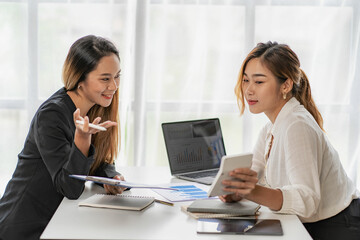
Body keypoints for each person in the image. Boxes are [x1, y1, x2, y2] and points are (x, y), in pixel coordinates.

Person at [220, 41, 360, 239]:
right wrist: (237, 191)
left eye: (259, 82)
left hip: (339, 226)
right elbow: (257, 174)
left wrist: (251, 191)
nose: (249, 90)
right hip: (314, 223)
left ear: (285, 85)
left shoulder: (297, 125)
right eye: (245, 80)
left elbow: (307, 200)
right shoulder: (271, 128)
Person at [0, 35, 126, 239]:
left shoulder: (94, 107)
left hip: (55, 221)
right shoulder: (52, 114)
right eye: (105, 78)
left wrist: (110, 177)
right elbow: (70, 187)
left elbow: (98, 159)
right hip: (22, 227)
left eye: (117, 76)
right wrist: (82, 139)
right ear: (80, 78)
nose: (114, 86)